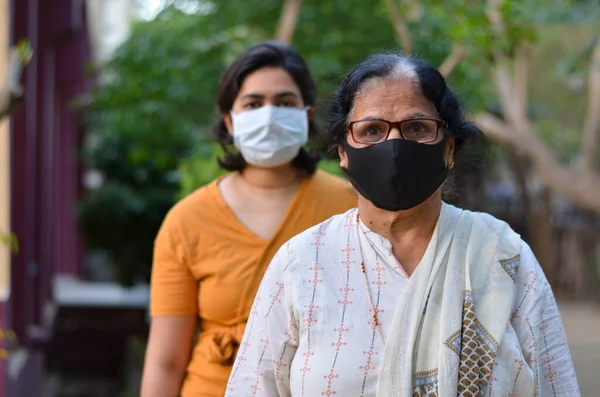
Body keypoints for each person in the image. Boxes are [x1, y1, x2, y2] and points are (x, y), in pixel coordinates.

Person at [226, 53, 580, 397]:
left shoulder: (503, 256)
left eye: (416, 128)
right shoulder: (302, 263)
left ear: (449, 148)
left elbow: (556, 385)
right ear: (344, 152)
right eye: (371, 130)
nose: (394, 144)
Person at [140, 41, 356, 397]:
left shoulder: (349, 206)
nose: (269, 115)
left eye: (285, 103)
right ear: (230, 120)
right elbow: (165, 361)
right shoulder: (186, 221)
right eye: (254, 104)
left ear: (307, 115)